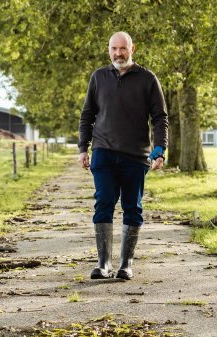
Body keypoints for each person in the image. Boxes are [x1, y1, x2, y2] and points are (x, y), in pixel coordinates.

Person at [78, 31, 168, 280]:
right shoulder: (98, 77)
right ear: (109, 50)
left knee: (132, 207)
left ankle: (126, 264)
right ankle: (103, 263)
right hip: (103, 153)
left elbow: (160, 118)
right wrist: (83, 148)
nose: (118, 53)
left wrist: (159, 149)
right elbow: (87, 115)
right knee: (103, 203)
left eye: (123, 48)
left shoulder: (148, 79)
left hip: (136, 156)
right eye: (114, 49)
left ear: (132, 49)